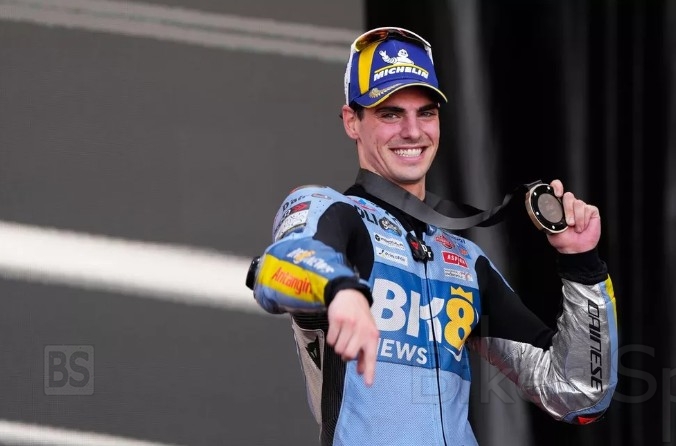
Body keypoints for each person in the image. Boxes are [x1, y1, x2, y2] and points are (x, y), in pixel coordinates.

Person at [246, 26, 618, 446]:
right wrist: (340, 290)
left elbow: (577, 396)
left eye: (426, 112)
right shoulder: (331, 210)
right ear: (352, 121)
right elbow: (274, 270)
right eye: (390, 113)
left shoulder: (465, 260)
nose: (412, 131)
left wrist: (581, 263)